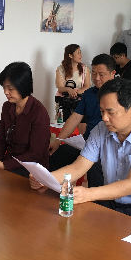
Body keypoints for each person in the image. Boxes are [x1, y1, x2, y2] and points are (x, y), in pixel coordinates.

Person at [33, 78, 131, 227]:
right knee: (71, 223)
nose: (104, 118)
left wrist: (88, 194)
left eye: (111, 112)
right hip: (111, 200)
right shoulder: (100, 130)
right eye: (102, 111)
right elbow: (78, 167)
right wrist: (44, 178)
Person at [49, 54, 116, 187]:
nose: (96, 78)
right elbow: (75, 118)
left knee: (96, 167)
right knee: (58, 154)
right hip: (86, 144)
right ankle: (49, 188)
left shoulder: (119, 95)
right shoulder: (89, 94)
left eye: (101, 74)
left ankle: (94, 197)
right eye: (94, 73)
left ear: (113, 73)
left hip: (108, 147)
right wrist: (58, 140)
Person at [0, 62, 50, 177]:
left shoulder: (39, 112)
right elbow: (1, 141)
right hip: (9, 164)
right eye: (4, 87)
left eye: (10, 88)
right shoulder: (7, 107)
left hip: (32, 170)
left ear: (23, 86)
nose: (5, 92)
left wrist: (4, 165)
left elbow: (35, 154)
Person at [55, 44, 90, 121]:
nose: (80, 55)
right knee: (64, 124)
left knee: (80, 124)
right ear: (70, 55)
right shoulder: (61, 69)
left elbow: (87, 86)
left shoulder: (85, 69)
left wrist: (75, 93)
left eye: (80, 52)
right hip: (65, 102)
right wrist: (69, 90)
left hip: (80, 101)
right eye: (78, 53)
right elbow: (60, 87)